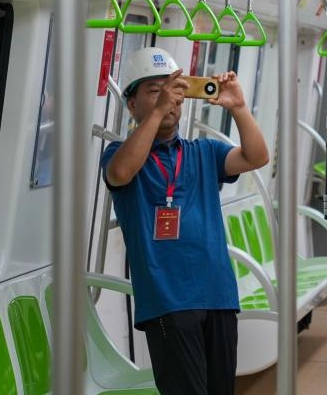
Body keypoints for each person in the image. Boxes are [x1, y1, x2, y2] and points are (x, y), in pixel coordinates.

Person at [101, 47, 269, 395]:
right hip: (168, 301)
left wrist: (238, 107)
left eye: (174, 89)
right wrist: (159, 110)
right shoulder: (119, 154)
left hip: (218, 294)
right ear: (131, 104)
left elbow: (256, 156)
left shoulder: (204, 152)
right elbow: (120, 173)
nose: (169, 99)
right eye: (154, 91)